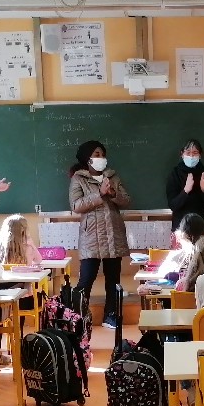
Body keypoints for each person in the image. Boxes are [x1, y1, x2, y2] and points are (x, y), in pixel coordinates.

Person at [69, 139, 131, 329]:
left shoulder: (113, 176)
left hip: (113, 234)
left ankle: (110, 315)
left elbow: (126, 200)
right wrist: (100, 194)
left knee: (114, 279)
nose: (101, 158)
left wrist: (113, 194)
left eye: (102, 154)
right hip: (92, 236)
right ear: (87, 159)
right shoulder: (78, 179)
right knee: (86, 279)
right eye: (96, 155)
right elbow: (76, 205)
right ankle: (78, 317)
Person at [166, 138, 204, 230]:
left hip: (202, 227)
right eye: (188, 152)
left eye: (195, 152)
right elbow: (173, 205)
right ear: (182, 154)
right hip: (180, 229)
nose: (191, 156)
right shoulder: (174, 174)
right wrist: (186, 191)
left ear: (200, 155)